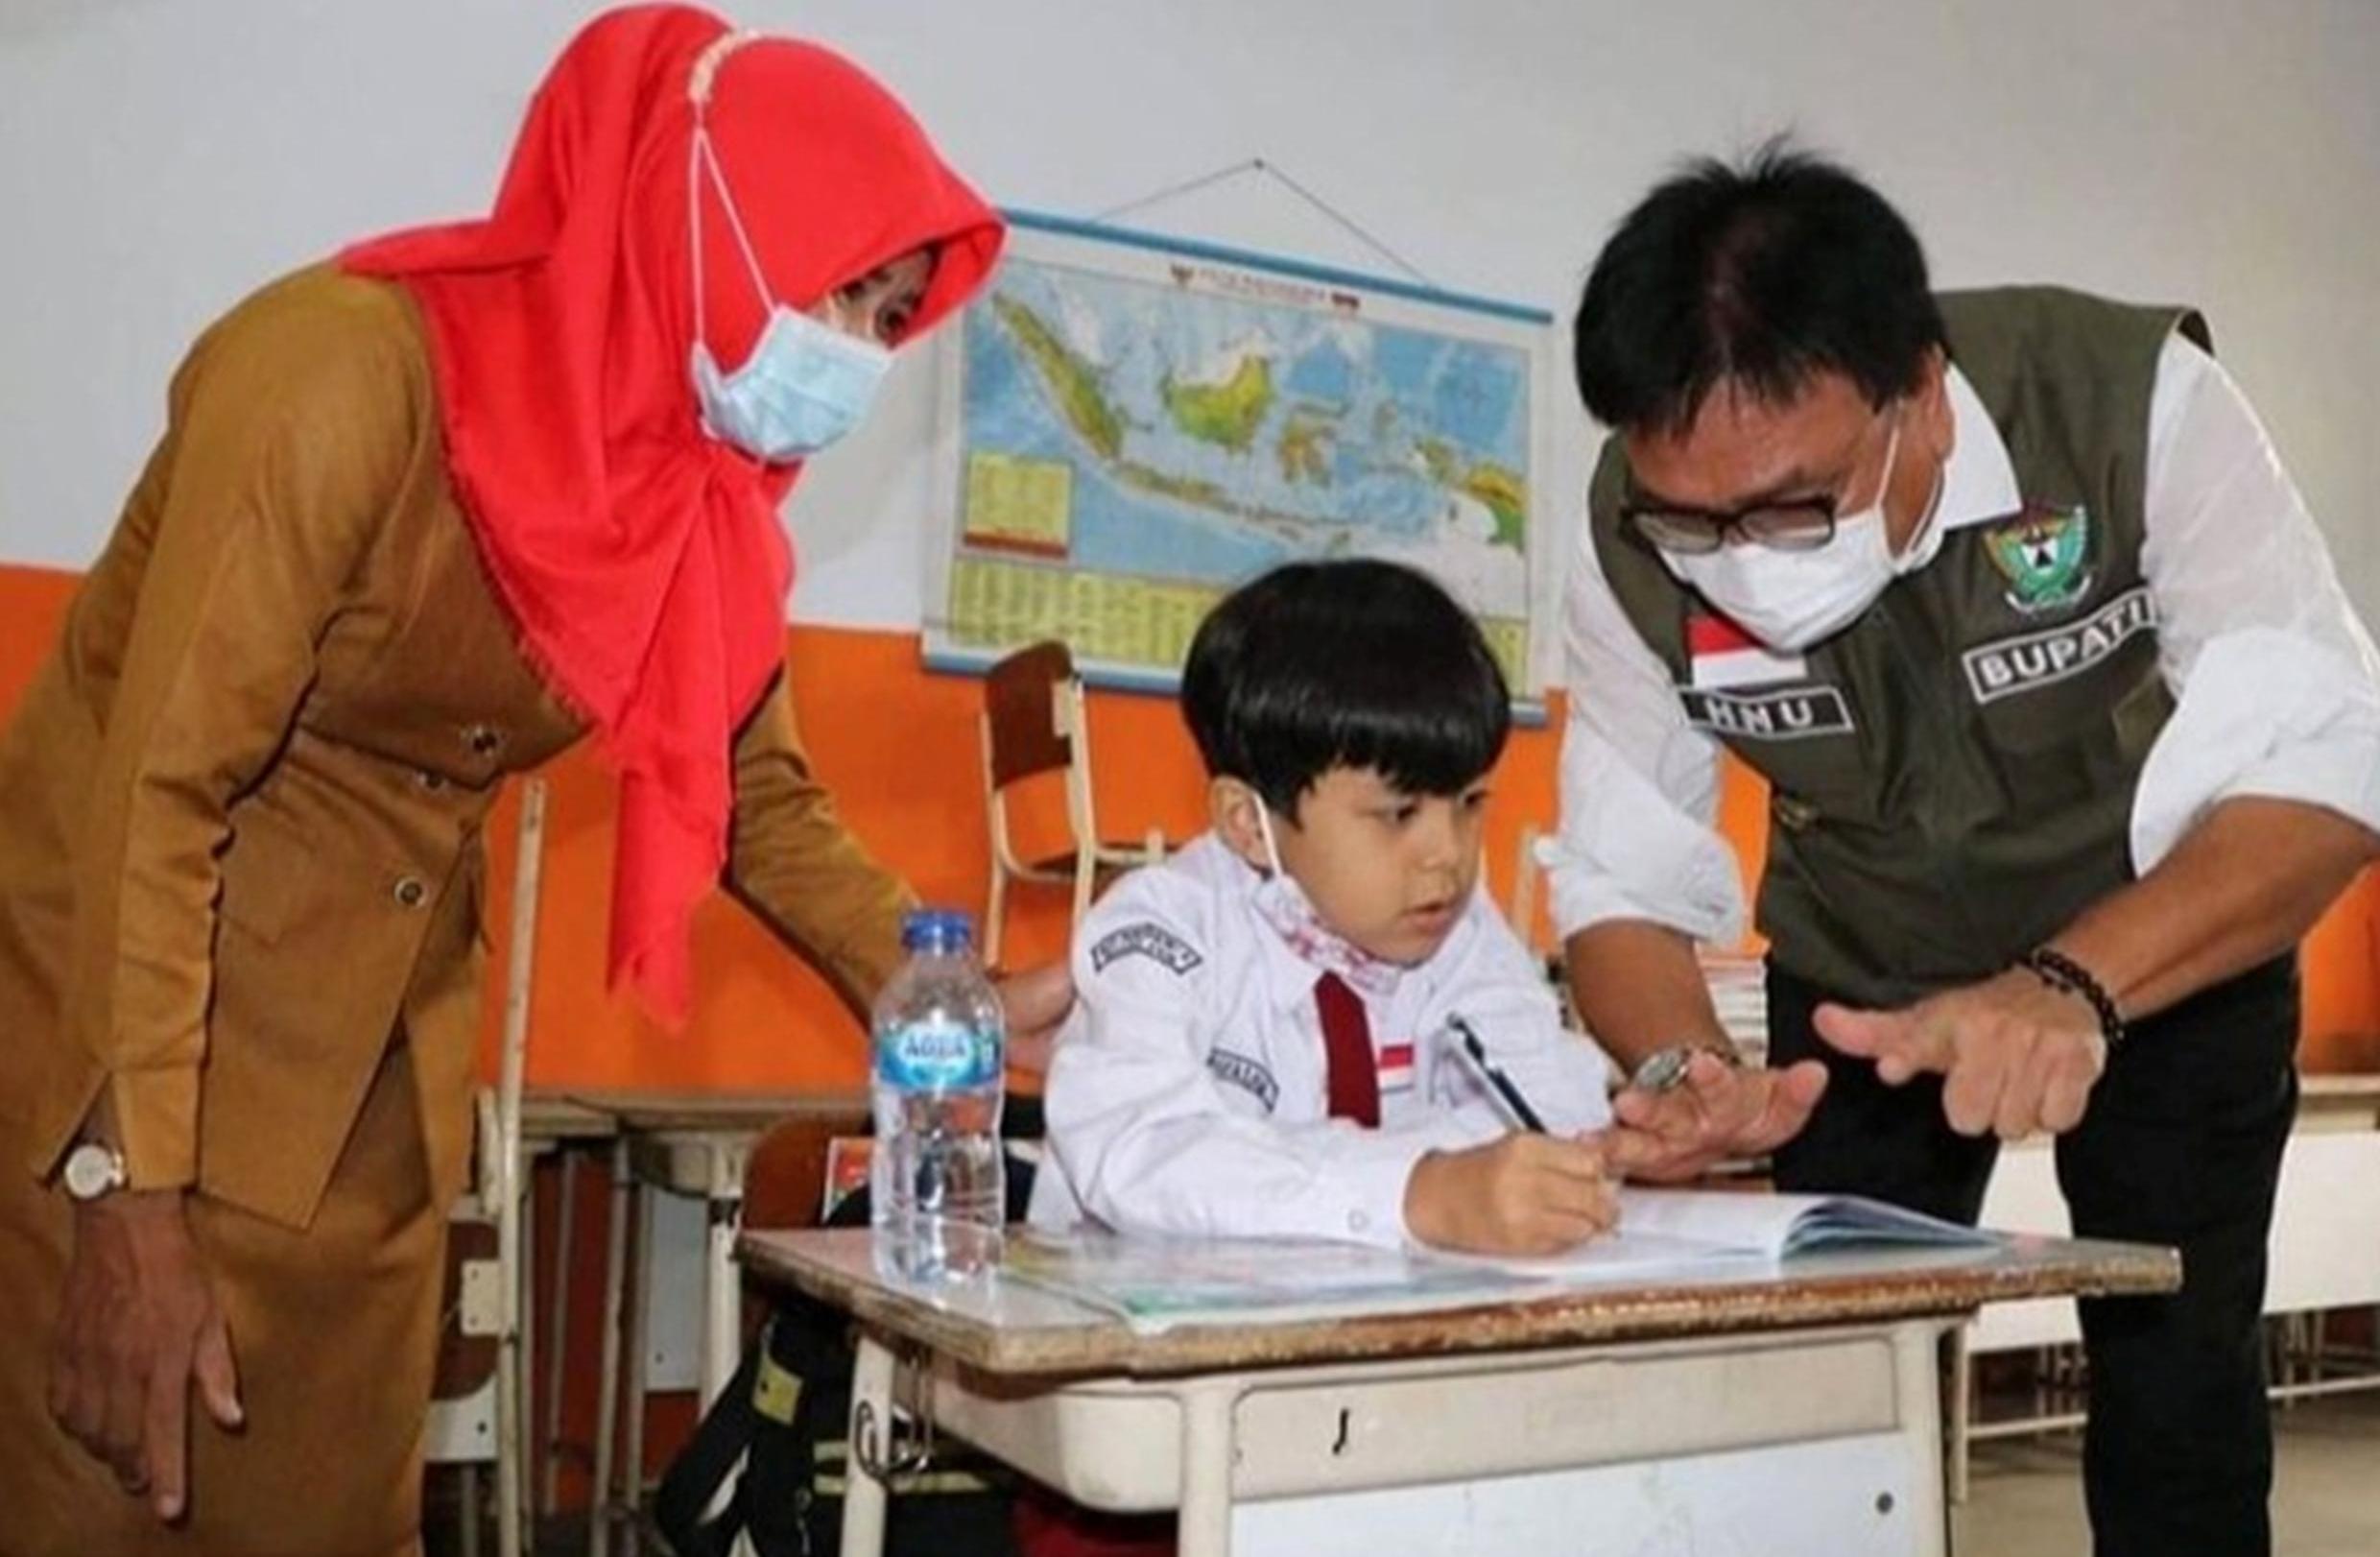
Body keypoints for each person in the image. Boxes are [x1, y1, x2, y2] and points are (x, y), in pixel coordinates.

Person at [0, 9, 1070, 1554]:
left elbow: (749, 789)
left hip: (363, 1087)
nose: (854, 352)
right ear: (714, 225)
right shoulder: (339, 377)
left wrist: (948, 986)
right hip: (103, 1052)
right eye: (843, 291)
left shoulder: (681, 499)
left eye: (888, 317)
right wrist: (123, 1193)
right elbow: (157, 792)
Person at [1547, 142, 2380, 1556]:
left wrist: (2070, 985)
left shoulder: (2132, 404)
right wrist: (1685, 1070)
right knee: (1823, 1398)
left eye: (1793, 502)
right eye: (1698, 520)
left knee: (2177, 1394)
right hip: (1865, 997)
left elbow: (2324, 774)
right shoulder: (1628, 541)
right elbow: (1620, 878)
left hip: (2162, 957)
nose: (1742, 555)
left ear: (1919, 389)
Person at [1032, 558, 1708, 1258]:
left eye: (1471, 803)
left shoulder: (1460, 929)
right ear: (1246, 822)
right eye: (1398, 813)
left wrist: (1526, 1169)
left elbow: (1552, 1112)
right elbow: (1140, 1155)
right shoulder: (1162, 929)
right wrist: (1417, 1190)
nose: (1446, 854)